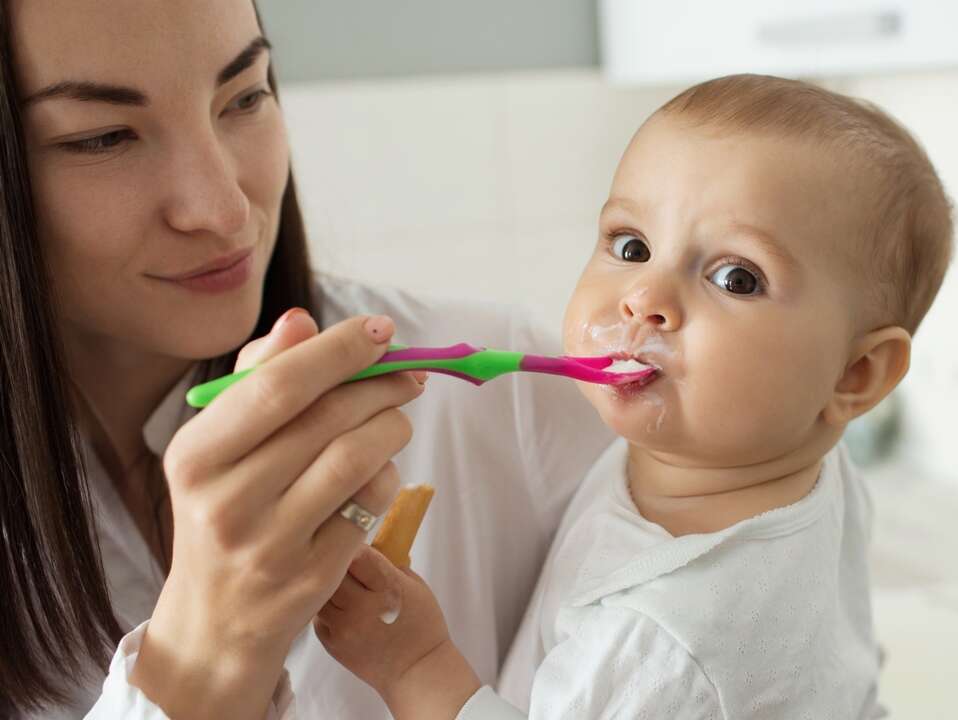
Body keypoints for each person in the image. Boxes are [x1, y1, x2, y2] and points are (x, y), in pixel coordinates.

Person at [0, 1, 610, 718]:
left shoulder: (500, 399)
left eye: (247, 95)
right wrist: (207, 652)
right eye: (104, 138)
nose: (225, 211)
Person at [314, 74, 955, 718]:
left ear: (856, 374)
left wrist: (415, 665)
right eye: (632, 246)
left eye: (736, 278)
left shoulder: (665, 641)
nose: (644, 298)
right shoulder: (803, 468)